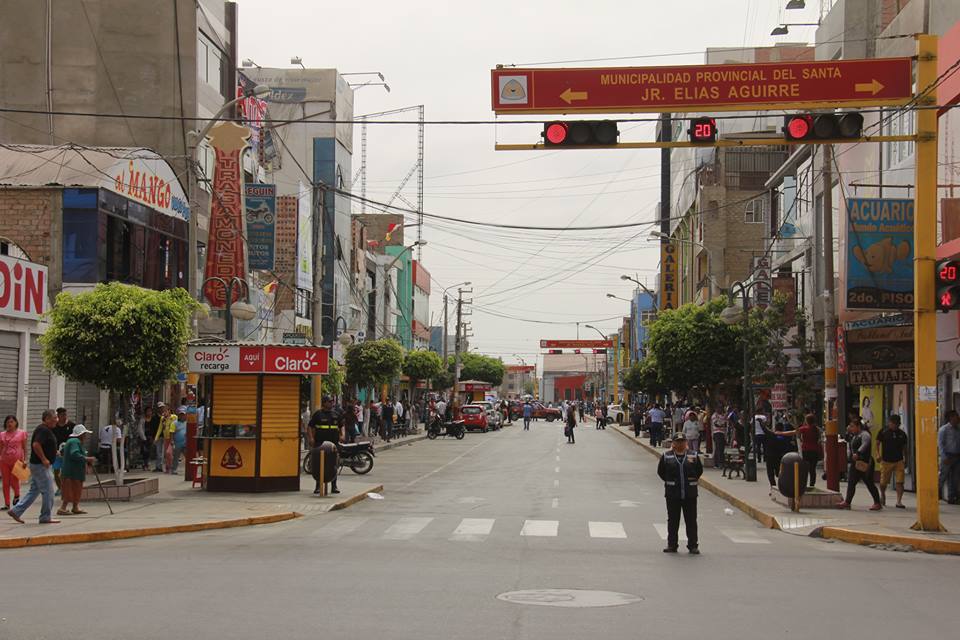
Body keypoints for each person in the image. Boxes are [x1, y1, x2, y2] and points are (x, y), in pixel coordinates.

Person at [7, 409, 60, 525]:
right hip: (41, 466)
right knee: (49, 491)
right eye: (54, 418)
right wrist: (44, 459)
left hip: (38, 465)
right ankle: (45, 517)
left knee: (34, 490)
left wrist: (53, 452)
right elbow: (36, 445)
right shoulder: (43, 430)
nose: (56, 420)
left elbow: (43, 445)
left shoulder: (45, 430)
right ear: (47, 419)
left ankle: (16, 511)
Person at [657, 432, 703, 554]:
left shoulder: (693, 455)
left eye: (682, 441)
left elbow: (699, 471)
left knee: (691, 520)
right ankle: (672, 545)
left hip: (690, 494)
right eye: (677, 442)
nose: (680, 444)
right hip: (673, 494)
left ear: (686, 442)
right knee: (673, 520)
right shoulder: (666, 456)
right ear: (673, 443)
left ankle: (693, 545)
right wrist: (671, 482)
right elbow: (661, 472)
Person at [836, 418, 882, 510]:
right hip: (856, 463)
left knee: (869, 483)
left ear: (858, 426)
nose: (851, 428)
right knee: (851, 482)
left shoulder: (865, 435)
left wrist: (858, 453)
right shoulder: (854, 436)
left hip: (865, 462)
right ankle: (847, 502)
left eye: (853, 426)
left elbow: (865, 444)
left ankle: (877, 502)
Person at [57, 424, 96, 516]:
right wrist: (87, 459)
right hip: (71, 472)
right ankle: (63, 508)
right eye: (84, 434)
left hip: (75, 471)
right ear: (80, 434)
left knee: (76, 489)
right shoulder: (74, 441)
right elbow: (74, 454)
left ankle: (75, 507)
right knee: (69, 490)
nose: (85, 436)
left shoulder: (74, 442)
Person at [308, 396, 342, 494]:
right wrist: (311, 438)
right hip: (320, 444)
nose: (331, 403)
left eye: (332, 401)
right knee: (319, 464)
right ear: (324, 403)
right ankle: (318, 486)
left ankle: (334, 486)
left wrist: (342, 434)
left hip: (333, 444)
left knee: (334, 464)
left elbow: (341, 426)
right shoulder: (318, 414)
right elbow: (310, 427)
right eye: (329, 401)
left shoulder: (336, 414)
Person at [877, 414, 908, 508]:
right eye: (892, 423)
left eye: (896, 424)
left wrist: (906, 458)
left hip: (899, 460)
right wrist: (878, 454)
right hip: (886, 460)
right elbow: (877, 443)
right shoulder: (883, 431)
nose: (894, 425)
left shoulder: (902, 434)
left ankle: (899, 501)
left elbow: (905, 448)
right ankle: (882, 494)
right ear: (889, 423)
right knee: (883, 482)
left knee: (900, 481)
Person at [0, 415, 28, 511]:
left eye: (12, 421)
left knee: (14, 480)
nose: (10, 424)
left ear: (16, 423)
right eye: (8, 422)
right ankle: (7, 504)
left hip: (17, 461)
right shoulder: (2, 434)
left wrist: (25, 460)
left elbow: (25, 448)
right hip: (4, 461)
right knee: (5, 482)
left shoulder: (21, 433)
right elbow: (0, 448)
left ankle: (17, 494)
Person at [938, 410, 960, 504]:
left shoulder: (958, 429)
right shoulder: (944, 430)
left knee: (954, 479)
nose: (958, 418)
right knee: (943, 476)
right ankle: (936, 493)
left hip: (957, 456)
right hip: (947, 456)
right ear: (951, 418)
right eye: (956, 416)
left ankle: (952, 497)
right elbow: (940, 444)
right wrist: (944, 457)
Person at [170, 409, 188, 474]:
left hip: (185, 442)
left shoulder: (187, 423)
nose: (182, 416)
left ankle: (189, 469)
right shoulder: (174, 423)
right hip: (177, 443)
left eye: (183, 415)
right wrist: (172, 441)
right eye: (181, 415)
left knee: (188, 456)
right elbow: (171, 432)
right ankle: (174, 469)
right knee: (176, 457)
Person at [143, 406, 159, 471]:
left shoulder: (153, 419)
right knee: (145, 451)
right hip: (144, 437)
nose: (149, 413)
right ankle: (145, 464)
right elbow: (140, 429)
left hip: (151, 437)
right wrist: (143, 437)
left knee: (150, 451)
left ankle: (148, 464)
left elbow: (155, 428)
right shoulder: (143, 419)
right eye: (148, 411)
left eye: (150, 411)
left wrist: (154, 437)